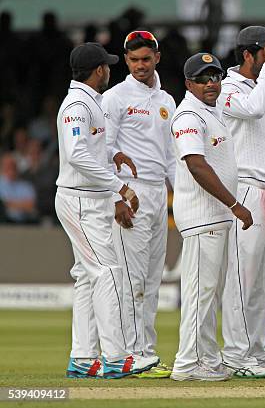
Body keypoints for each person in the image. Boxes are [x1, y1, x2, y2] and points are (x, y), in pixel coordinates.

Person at [55, 42, 158, 378]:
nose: (110, 70)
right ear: (99, 70)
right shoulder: (77, 106)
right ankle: (115, 358)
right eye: (107, 66)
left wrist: (111, 156)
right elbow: (76, 155)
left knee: (86, 278)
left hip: (89, 199)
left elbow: (91, 151)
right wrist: (120, 186)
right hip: (81, 200)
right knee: (107, 273)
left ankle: (83, 358)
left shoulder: (91, 102)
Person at [170, 53, 253, 382]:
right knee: (200, 292)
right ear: (189, 84)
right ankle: (187, 363)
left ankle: (207, 360)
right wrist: (234, 204)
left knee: (209, 291)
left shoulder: (211, 111)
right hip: (203, 216)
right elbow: (196, 164)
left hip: (214, 217)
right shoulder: (188, 115)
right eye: (203, 79)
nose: (211, 84)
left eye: (215, 77)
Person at [102, 30, 177, 378]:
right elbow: (103, 149)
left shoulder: (167, 101)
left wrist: (181, 198)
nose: (140, 66)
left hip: (158, 193)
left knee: (151, 278)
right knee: (132, 279)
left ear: (156, 58)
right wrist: (116, 195)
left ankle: (146, 351)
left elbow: (172, 159)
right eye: (133, 60)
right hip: (129, 191)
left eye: (146, 59)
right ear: (126, 60)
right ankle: (131, 354)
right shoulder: (114, 98)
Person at [219, 26, 265, 378]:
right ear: (249, 54)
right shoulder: (227, 88)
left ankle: (259, 350)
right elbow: (251, 108)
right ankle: (235, 354)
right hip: (248, 188)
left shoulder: (264, 84)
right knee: (242, 277)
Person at [0, 152, 37, 223]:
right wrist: (21, 204)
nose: (10, 169)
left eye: (13, 166)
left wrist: (8, 204)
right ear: (2, 167)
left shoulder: (26, 186)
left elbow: (31, 206)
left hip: (23, 224)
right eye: (7, 166)